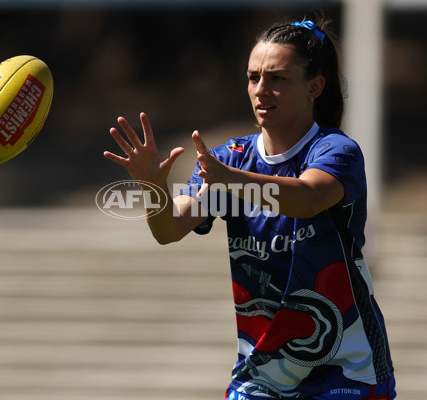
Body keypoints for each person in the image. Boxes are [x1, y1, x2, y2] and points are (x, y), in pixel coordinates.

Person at [103, 15, 396, 400]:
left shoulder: (335, 151)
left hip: (347, 373)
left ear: (315, 87)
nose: (261, 89)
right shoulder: (231, 159)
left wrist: (231, 180)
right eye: (253, 77)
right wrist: (152, 185)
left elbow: (308, 199)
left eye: (277, 78)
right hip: (260, 378)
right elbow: (169, 229)